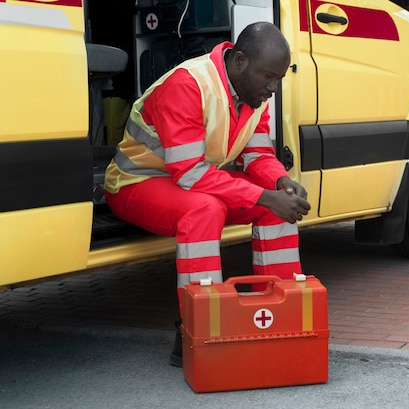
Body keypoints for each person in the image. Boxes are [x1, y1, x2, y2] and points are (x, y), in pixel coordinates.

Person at [104, 22, 311, 367]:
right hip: (135, 183)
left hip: (190, 181)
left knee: (279, 208)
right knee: (204, 209)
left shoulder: (253, 92)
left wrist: (280, 184)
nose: (274, 88)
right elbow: (189, 173)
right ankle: (195, 331)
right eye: (269, 78)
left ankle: (277, 317)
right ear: (240, 61)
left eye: (279, 80)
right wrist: (262, 196)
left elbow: (258, 155)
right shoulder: (189, 84)